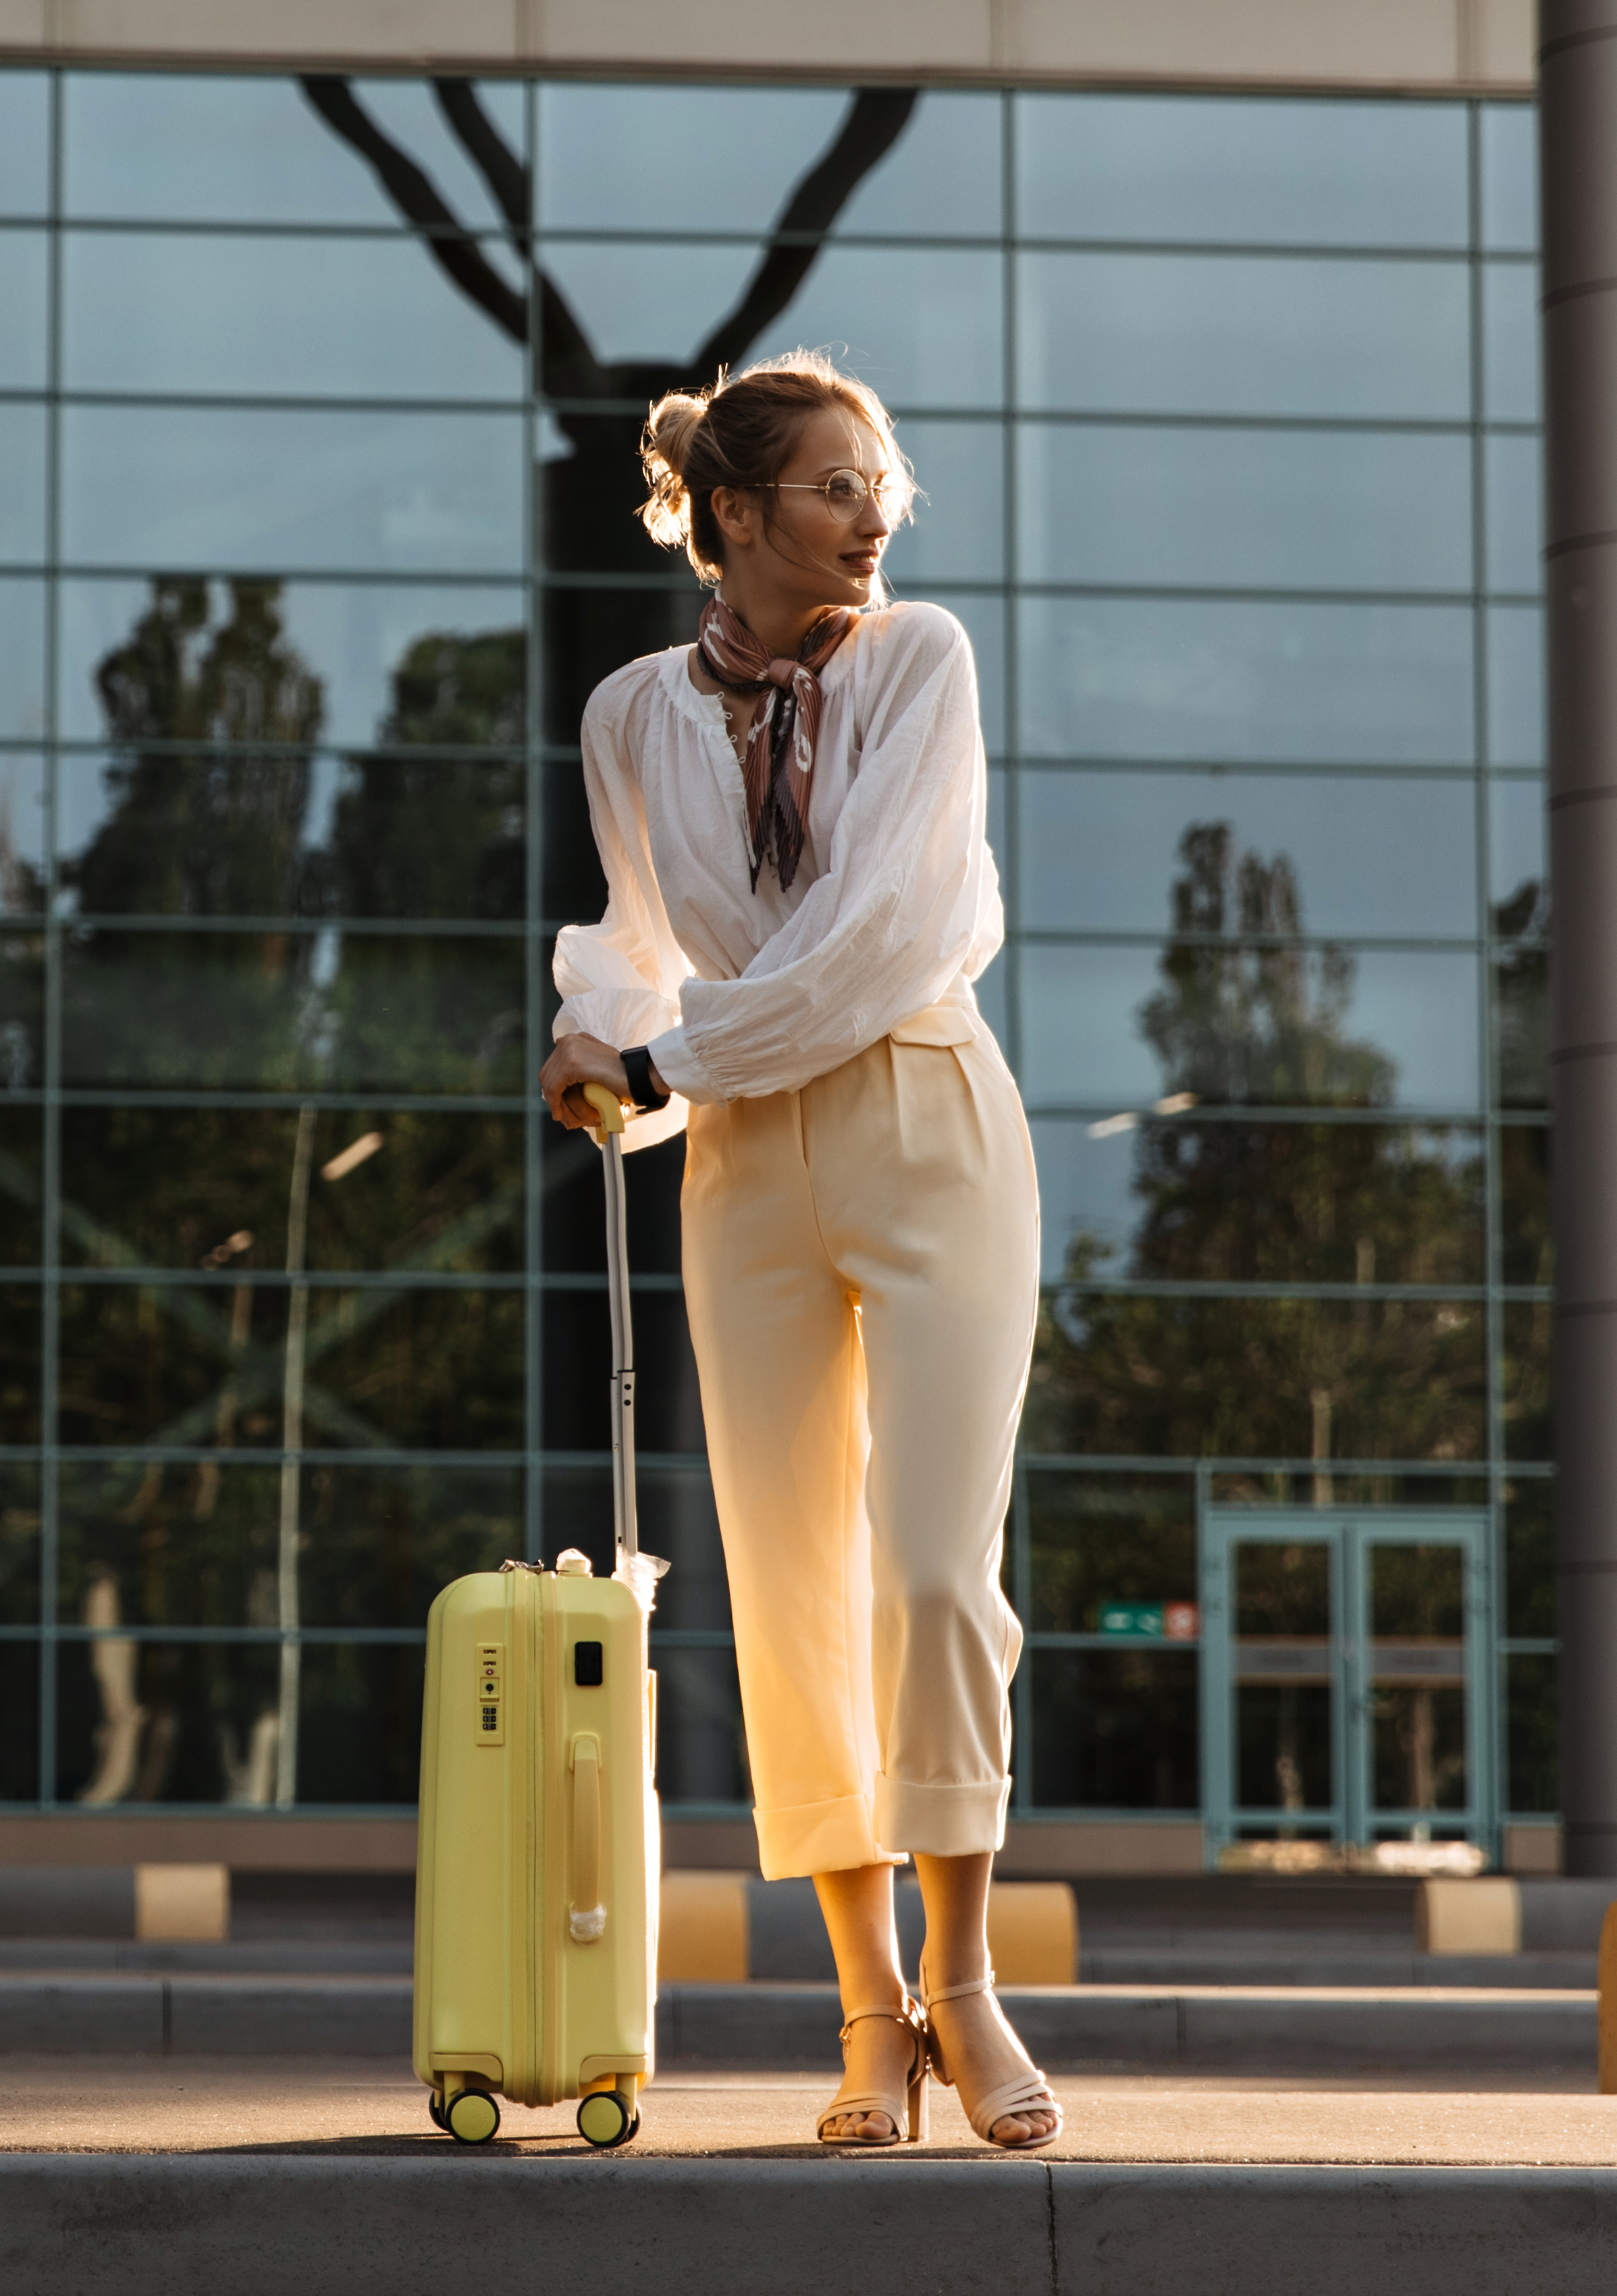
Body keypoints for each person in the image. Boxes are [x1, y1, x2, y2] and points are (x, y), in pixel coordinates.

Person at [537, 350, 1059, 2154]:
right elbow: (632, 943)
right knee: (787, 1590)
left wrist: (662, 1054)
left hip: (925, 1117)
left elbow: (871, 935)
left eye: (880, 483)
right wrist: (598, 1043)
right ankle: (868, 2019)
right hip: (745, 1166)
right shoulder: (628, 718)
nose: (874, 513)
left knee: (930, 1571)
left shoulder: (922, 663)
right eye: (836, 485)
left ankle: (968, 1981)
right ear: (732, 514)